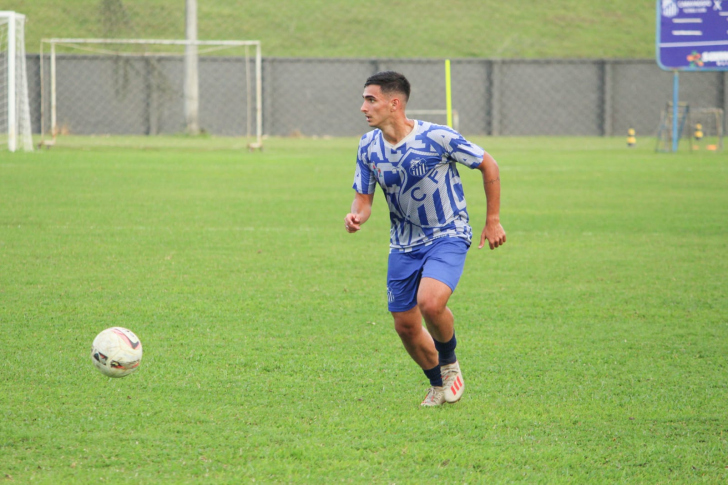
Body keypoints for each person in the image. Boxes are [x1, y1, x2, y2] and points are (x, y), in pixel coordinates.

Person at [344, 71, 506, 406]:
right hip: (403, 242)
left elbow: (488, 165)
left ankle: (449, 363)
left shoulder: (438, 137)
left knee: (430, 302)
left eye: (370, 100)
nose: (363, 107)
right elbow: (364, 198)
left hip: (448, 231)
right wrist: (357, 215)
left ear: (394, 103)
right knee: (404, 325)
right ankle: (438, 385)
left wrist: (493, 220)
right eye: (363, 99)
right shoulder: (367, 146)